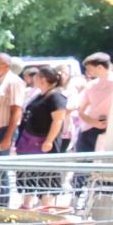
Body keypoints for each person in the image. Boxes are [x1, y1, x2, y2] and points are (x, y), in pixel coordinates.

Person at [16, 65, 68, 209]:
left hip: (44, 142)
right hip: (29, 140)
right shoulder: (39, 95)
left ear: (43, 79)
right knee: (28, 172)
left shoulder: (56, 96)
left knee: (46, 174)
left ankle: (46, 205)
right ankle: (27, 203)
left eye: (36, 76)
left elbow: (58, 120)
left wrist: (49, 141)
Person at [0, 52, 28, 206]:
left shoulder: (14, 82)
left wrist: (7, 138)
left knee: (1, 171)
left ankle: (3, 205)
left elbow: (16, 111)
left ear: (6, 66)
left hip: (2, 131)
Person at [74, 53, 113, 155]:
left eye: (90, 69)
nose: (87, 72)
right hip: (89, 130)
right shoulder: (91, 85)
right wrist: (92, 121)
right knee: (84, 164)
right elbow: (80, 109)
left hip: (112, 131)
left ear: (100, 67)